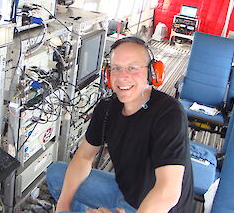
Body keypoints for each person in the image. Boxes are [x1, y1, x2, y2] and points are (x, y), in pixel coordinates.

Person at [46, 36, 194, 213]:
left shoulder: (169, 112)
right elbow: (84, 157)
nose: (123, 76)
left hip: (157, 207)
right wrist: (63, 207)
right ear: (108, 74)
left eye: (132, 68)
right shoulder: (107, 108)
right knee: (56, 174)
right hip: (123, 191)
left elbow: (167, 192)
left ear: (152, 73)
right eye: (116, 68)